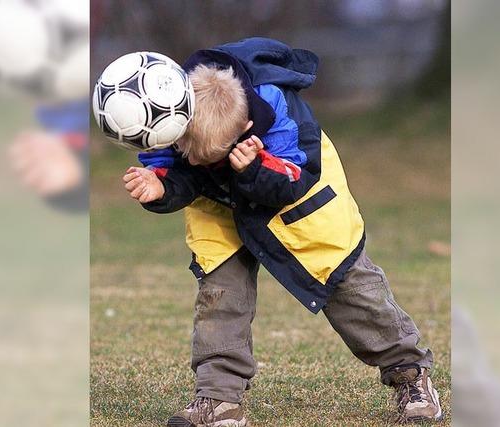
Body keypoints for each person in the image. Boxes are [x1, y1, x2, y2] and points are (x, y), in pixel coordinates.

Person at [122, 38, 442, 426]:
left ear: (244, 129)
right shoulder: (174, 106)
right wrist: (162, 187)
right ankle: (219, 399)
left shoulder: (284, 118)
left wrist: (254, 170)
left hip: (295, 191)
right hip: (219, 206)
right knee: (220, 294)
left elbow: (294, 181)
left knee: (349, 285)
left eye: (206, 157)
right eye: (185, 151)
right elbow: (180, 169)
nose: (190, 159)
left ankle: (410, 373)